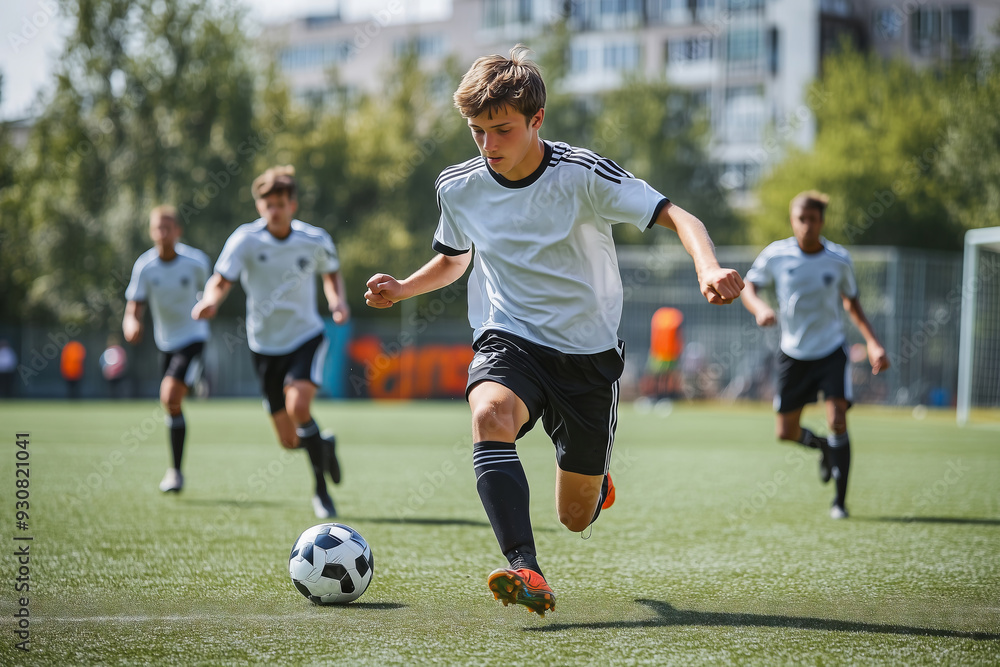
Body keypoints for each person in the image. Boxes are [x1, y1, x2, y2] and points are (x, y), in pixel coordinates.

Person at [365, 46, 744, 616]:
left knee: (575, 515)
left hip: (587, 356)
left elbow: (676, 214)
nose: (488, 144)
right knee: (489, 415)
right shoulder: (458, 186)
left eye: (502, 130)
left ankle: (595, 482)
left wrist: (707, 267)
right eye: (477, 131)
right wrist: (402, 288)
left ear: (536, 119)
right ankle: (526, 568)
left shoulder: (583, 174)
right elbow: (453, 258)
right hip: (508, 336)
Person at [192, 165, 349, 519]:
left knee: (299, 407)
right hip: (264, 346)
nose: (274, 211)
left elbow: (331, 275)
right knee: (290, 440)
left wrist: (337, 302)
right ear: (259, 206)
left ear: (293, 205)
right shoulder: (245, 240)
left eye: (280, 204)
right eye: (268, 205)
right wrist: (210, 301)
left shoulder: (314, 239)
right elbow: (221, 279)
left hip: (305, 337)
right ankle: (323, 444)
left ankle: (321, 492)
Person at [741, 190, 889, 520]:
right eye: (801, 219)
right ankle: (822, 446)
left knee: (837, 419)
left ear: (822, 222)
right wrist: (760, 308)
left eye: (813, 219)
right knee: (785, 433)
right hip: (792, 354)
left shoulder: (838, 259)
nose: (807, 225)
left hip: (830, 351)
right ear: (792, 221)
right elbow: (749, 287)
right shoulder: (776, 255)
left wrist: (873, 342)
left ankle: (840, 502)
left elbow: (852, 302)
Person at [124, 206, 211, 492]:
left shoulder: (196, 262)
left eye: (167, 228)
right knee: (173, 404)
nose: (162, 233)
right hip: (166, 342)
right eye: (157, 228)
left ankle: (174, 473)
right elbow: (134, 306)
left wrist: (207, 304)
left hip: (194, 337)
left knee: (169, 396)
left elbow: (211, 291)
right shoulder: (145, 266)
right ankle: (176, 471)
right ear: (151, 232)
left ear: (177, 231)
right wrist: (131, 323)